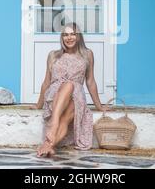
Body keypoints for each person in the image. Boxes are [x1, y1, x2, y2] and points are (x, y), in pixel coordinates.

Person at [30, 22, 108, 157]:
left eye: (73, 34)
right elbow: (46, 82)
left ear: (78, 37)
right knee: (68, 85)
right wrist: (38, 104)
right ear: (62, 38)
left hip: (76, 97)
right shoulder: (53, 55)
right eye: (65, 35)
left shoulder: (87, 54)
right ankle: (54, 123)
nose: (69, 38)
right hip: (54, 95)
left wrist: (99, 106)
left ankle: (48, 144)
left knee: (67, 115)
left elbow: (90, 81)